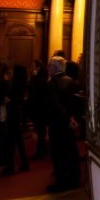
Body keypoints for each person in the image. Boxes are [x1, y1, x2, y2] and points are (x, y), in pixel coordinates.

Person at [45, 56, 80, 192]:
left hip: (57, 122)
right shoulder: (70, 81)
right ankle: (73, 179)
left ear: (55, 67)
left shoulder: (52, 83)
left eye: (50, 65)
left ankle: (61, 182)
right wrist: (73, 118)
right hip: (69, 122)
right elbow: (76, 103)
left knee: (58, 153)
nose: (48, 68)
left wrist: (66, 118)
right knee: (70, 151)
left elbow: (54, 105)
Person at [1, 64, 29, 175]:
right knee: (18, 139)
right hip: (17, 114)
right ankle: (24, 163)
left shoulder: (15, 84)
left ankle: (10, 166)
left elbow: (11, 98)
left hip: (13, 114)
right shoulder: (22, 83)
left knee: (11, 141)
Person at [27, 59, 49, 159]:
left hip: (40, 107)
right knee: (40, 130)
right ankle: (42, 149)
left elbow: (36, 89)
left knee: (40, 130)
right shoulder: (39, 76)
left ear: (38, 67)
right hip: (38, 106)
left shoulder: (40, 77)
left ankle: (41, 151)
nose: (31, 68)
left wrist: (33, 77)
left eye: (33, 66)